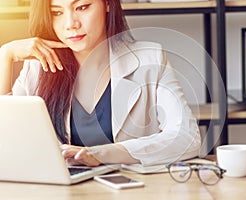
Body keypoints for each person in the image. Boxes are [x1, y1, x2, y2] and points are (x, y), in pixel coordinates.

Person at [0, 0, 201, 167]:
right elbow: (6, 141)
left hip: (131, 192)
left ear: (106, 4)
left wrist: (100, 154)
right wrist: (5, 56)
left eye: (82, 7)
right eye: (57, 12)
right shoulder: (37, 68)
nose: (70, 24)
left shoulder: (150, 58)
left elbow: (187, 138)